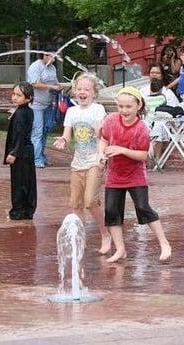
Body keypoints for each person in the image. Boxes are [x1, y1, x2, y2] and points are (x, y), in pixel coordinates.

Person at [99, 87, 172, 263]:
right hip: (114, 176)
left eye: (128, 107)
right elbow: (104, 139)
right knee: (111, 211)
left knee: (143, 207)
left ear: (138, 106)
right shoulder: (110, 120)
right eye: (121, 106)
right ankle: (120, 249)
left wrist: (121, 150)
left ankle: (164, 243)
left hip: (135, 176)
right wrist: (101, 155)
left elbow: (143, 156)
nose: (124, 111)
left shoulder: (141, 128)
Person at [53, 73, 111, 254]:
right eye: (79, 89)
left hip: (95, 160)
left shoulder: (98, 109)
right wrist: (63, 140)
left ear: (94, 92)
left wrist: (99, 130)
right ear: (75, 92)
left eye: (87, 89)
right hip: (77, 162)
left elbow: (102, 134)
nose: (82, 92)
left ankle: (105, 234)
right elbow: (67, 135)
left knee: (90, 202)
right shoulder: (71, 112)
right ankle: (80, 238)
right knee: (75, 204)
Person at [4, 82, 37, 220]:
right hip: (27, 152)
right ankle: (28, 209)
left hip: (20, 153)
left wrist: (13, 153)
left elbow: (19, 134)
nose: (14, 97)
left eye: (19, 95)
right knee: (27, 181)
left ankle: (18, 210)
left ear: (28, 98)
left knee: (19, 183)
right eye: (14, 94)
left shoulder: (20, 114)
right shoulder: (26, 111)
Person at [27, 46, 62, 168]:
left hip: (48, 104)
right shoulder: (35, 67)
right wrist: (52, 87)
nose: (54, 59)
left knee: (45, 131)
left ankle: (41, 156)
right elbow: (35, 84)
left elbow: (55, 83)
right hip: (35, 104)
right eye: (52, 56)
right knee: (37, 132)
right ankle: (35, 159)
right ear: (45, 55)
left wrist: (59, 88)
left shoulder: (52, 68)